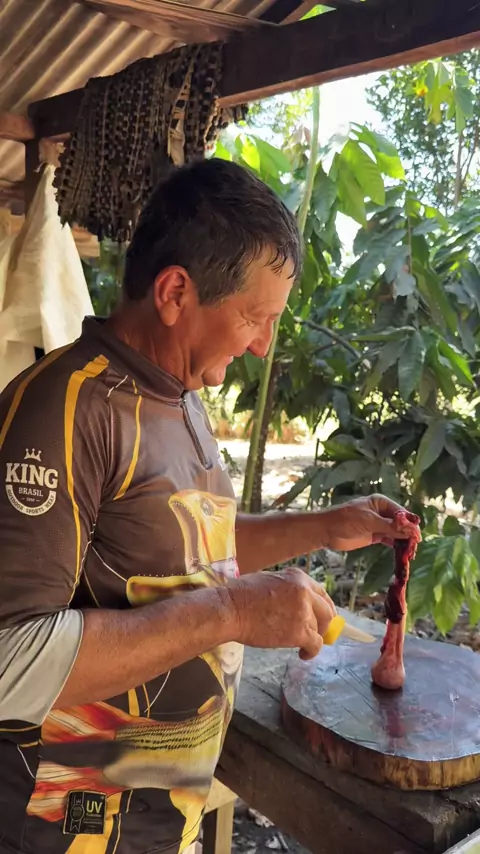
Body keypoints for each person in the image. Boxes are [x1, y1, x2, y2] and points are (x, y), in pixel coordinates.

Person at [0, 158, 419, 854]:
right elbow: (9, 660)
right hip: (67, 829)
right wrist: (231, 612)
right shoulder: (65, 409)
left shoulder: (180, 395)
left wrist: (325, 526)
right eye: (255, 317)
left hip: (159, 818)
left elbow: (190, 545)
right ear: (174, 293)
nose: (262, 344)